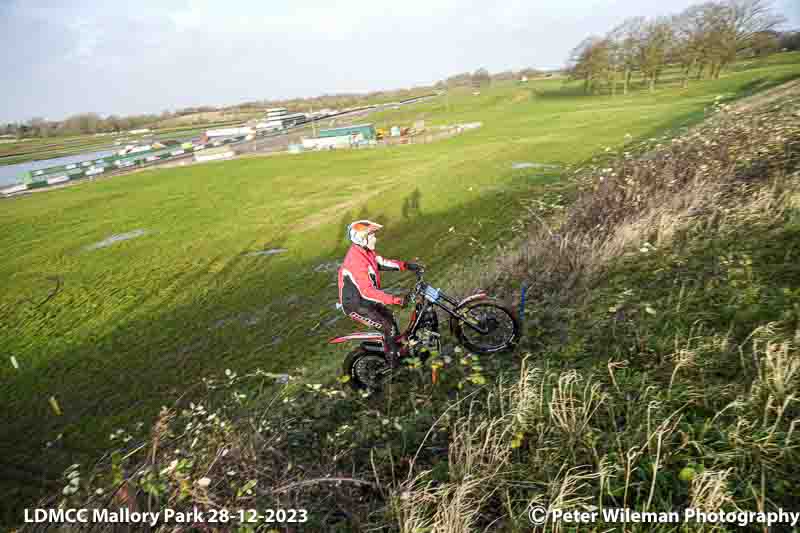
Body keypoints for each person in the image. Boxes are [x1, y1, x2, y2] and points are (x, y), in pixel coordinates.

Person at [337, 220, 421, 368]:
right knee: (387, 327)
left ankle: (399, 352)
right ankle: (396, 370)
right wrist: (397, 300)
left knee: (391, 320)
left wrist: (406, 265)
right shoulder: (355, 261)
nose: (375, 239)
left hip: (365, 300)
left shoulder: (366, 252)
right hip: (356, 305)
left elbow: (381, 262)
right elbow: (367, 291)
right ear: (362, 238)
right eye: (372, 236)